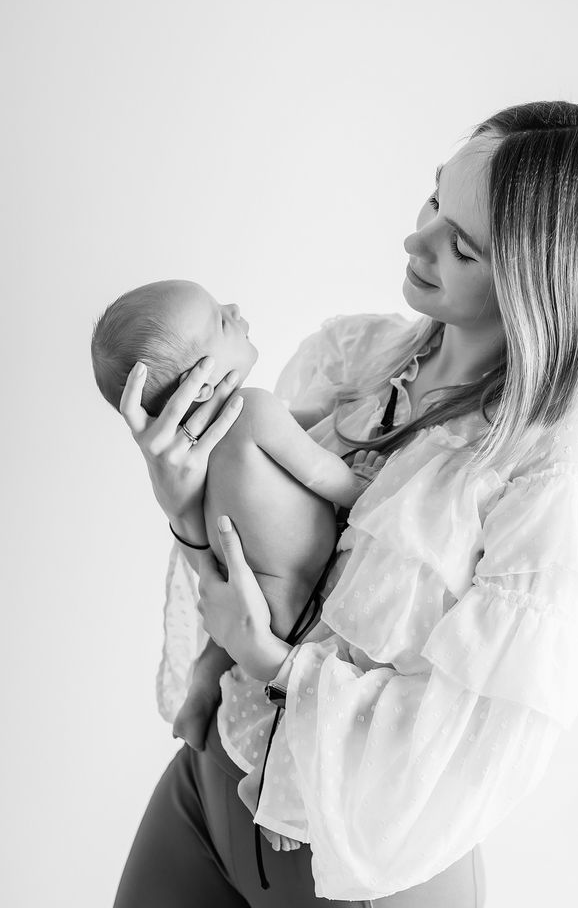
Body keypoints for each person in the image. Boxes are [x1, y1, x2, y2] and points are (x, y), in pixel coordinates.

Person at [112, 100, 578, 906]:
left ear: (539, 283)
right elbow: (250, 569)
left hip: (361, 870)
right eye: (435, 200)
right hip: (209, 785)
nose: (417, 240)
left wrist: (272, 662)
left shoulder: (556, 457)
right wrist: (182, 501)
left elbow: (462, 741)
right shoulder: (351, 357)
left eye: (462, 245)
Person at [91, 279, 386, 759]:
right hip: (295, 595)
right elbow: (319, 470)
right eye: (222, 320)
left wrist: (334, 407)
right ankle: (272, 789)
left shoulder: (198, 453)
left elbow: (294, 428)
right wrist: (365, 491)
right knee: (309, 706)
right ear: (202, 382)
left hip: (252, 592)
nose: (234, 306)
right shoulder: (254, 409)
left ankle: (207, 703)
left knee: (271, 691)